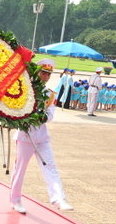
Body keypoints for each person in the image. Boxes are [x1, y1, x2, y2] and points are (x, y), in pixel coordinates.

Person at [10, 58, 73, 214]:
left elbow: (50, 115)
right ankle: (15, 199)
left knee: (50, 166)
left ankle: (58, 198)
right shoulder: (24, 91)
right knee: (20, 169)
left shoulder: (49, 94)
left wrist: (39, 115)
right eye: (43, 73)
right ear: (36, 73)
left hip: (42, 137)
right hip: (25, 137)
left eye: (48, 74)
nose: (46, 77)